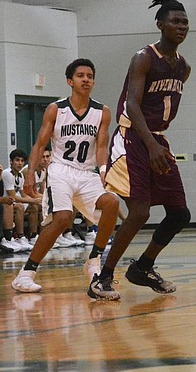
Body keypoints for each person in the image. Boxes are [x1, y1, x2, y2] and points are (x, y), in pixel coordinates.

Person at [96, 0, 193, 295]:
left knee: (179, 213)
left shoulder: (183, 67)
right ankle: (103, 276)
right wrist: (151, 146)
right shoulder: (144, 57)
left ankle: (142, 267)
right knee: (139, 212)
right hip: (132, 138)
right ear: (160, 24)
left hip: (156, 139)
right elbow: (132, 105)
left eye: (185, 22)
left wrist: (157, 143)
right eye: (175, 21)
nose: (181, 26)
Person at [11, 59, 122, 299]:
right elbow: (41, 143)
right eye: (81, 75)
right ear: (70, 81)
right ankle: (25, 273)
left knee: (112, 203)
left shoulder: (102, 111)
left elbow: (101, 145)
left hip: (87, 172)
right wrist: (30, 173)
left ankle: (94, 260)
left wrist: (103, 168)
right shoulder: (56, 109)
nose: (86, 80)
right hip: (61, 170)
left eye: (90, 76)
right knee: (62, 218)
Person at [1, 149, 39, 251]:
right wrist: (32, 200)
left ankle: (33, 236)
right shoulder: (7, 173)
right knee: (20, 207)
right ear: (11, 161)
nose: (20, 163)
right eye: (17, 160)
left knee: (34, 206)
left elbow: (22, 194)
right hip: (4, 202)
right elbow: (13, 196)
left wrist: (36, 200)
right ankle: (20, 236)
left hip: (13, 202)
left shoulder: (21, 175)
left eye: (22, 161)